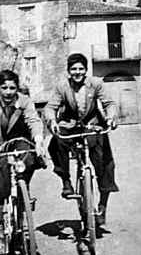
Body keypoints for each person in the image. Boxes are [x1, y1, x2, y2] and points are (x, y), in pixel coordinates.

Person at [0, 69, 46, 254]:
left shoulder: (24, 101)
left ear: (17, 88)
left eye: (12, 88)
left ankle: (25, 224)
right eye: (4, 88)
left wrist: (38, 140)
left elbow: (34, 121)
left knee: (28, 163)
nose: (8, 92)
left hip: (20, 142)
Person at [45, 53, 119, 226]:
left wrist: (111, 118)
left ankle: (102, 206)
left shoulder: (96, 84)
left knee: (105, 161)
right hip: (70, 125)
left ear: (86, 70)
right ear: (69, 71)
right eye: (73, 69)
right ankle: (66, 182)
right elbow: (50, 107)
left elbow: (109, 103)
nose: (77, 72)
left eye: (80, 69)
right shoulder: (62, 86)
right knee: (56, 142)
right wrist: (52, 121)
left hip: (93, 125)